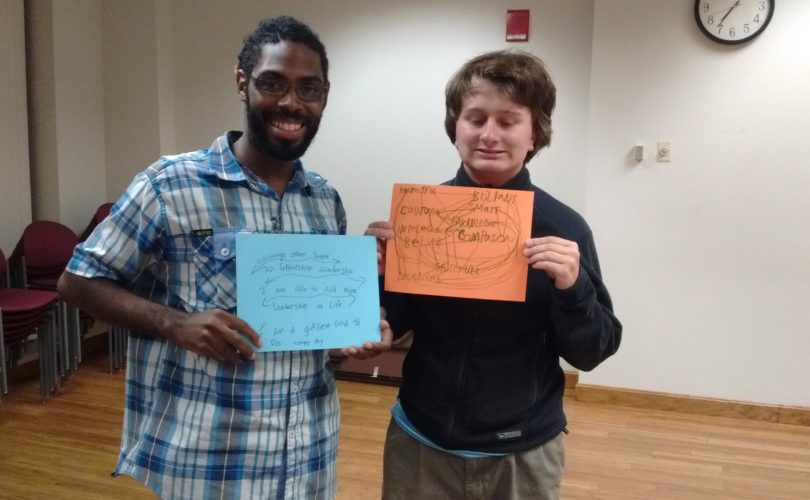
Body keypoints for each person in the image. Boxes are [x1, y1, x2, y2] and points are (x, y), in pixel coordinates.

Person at [58, 16, 391, 499]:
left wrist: (354, 331)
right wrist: (175, 323)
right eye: (272, 83)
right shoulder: (169, 184)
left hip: (308, 455)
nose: (291, 103)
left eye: (308, 88)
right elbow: (78, 281)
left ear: (325, 95)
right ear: (242, 82)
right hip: (210, 462)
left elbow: (309, 327)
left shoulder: (324, 200)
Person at [365, 50, 622, 499]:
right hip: (420, 442)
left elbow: (593, 350)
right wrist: (370, 282)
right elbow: (391, 325)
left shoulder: (564, 229)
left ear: (534, 132)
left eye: (507, 121)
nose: (489, 134)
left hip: (521, 453)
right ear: (455, 126)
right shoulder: (419, 218)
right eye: (475, 117)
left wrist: (573, 287)